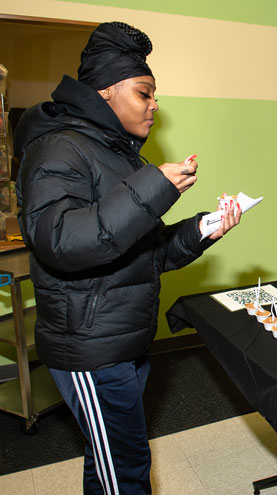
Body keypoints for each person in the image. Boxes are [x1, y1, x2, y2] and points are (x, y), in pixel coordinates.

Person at [14, 22, 240, 494]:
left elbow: (144, 254)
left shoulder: (118, 155)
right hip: (91, 348)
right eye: (144, 93)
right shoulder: (59, 148)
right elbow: (63, 242)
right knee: (126, 468)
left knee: (111, 462)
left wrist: (204, 227)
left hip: (122, 339)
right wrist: (154, 185)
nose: (155, 105)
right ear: (107, 92)